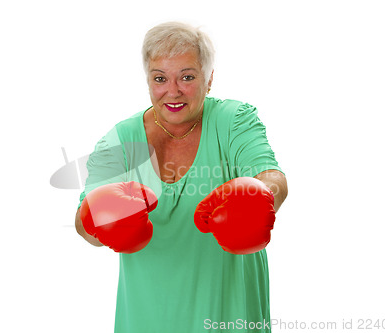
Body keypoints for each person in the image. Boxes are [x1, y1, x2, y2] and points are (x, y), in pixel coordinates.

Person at [75, 21, 288, 333]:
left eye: (187, 77)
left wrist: (260, 196)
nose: (172, 91)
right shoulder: (121, 140)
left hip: (229, 318)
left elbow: (271, 175)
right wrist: (103, 216)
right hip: (146, 320)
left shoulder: (233, 121)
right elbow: (84, 226)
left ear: (209, 78)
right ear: (148, 81)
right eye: (160, 78)